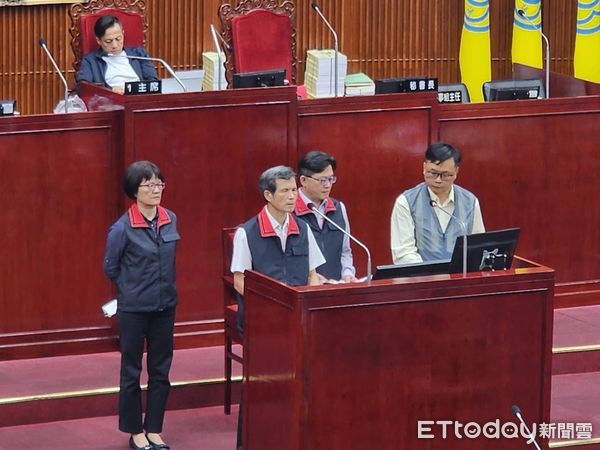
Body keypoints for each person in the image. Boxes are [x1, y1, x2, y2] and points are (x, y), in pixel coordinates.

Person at [230, 165, 325, 450]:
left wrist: (310, 298)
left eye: (294, 190)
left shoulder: (303, 228)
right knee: (260, 386)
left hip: (298, 320)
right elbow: (239, 280)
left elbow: (312, 274)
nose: (292, 196)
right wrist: (271, 307)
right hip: (263, 324)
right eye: (285, 191)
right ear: (268, 195)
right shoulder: (247, 232)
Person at [104, 161, 179, 450]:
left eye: (159, 184)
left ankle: (155, 428)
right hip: (134, 309)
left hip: (165, 306)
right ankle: (135, 431)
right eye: (148, 185)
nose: (155, 189)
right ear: (134, 191)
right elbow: (110, 266)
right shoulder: (122, 228)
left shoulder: (171, 218)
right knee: (132, 370)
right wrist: (132, 288)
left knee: (161, 370)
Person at [390, 142, 484, 264]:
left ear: (456, 171)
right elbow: (403, 253)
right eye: (433, 173)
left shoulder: (470, 202)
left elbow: (478, 247)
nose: (438, 180)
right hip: (421, 278)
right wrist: (430, 275)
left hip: (459, 277)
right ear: (424, 168)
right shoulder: (406, 202)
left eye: (445, 175)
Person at [294, 150, 357, 282]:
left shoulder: (338, 208)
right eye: (322, 180)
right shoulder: (290, 210)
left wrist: (347, 273)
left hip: (334, 290)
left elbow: (345, 251)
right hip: (303, 291)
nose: (328, 185)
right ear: (304, 180)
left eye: (331, 179)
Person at [77, 15, 158, 94]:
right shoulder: (90, 60)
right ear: (98, 40)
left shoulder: (139, 54)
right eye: (108, 41)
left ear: (123, 33)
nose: (115, 45)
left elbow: (153, 82)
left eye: (118, 39)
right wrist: (110, 90)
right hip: (110, 102)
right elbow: (84, 88)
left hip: (138, 98)